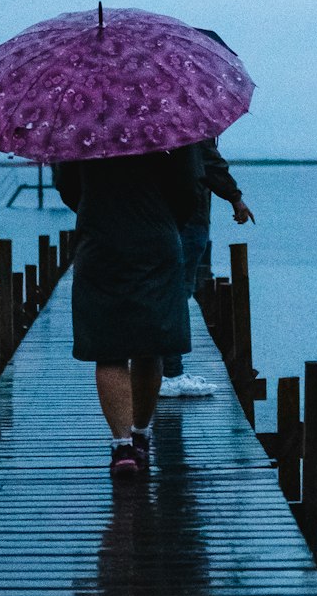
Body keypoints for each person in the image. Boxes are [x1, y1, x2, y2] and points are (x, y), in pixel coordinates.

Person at [53, 148, 202, 480]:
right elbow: (189, 187)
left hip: (99, 238)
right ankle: (140, 434)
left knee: (108, 348)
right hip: (156, 237)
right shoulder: (168, 118)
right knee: (151, 341)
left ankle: (122, 448)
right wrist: (165, 218)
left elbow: (66, 184)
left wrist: (96, 207)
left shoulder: (81, 120)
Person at [160, 137, 255, 397]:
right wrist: (236, 198)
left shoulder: (151, 129)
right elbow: (211, 165)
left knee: (160, 291)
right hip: (188, 220)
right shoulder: (189, 125)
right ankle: (170, 372)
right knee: (178, 293)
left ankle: (158, 366)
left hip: (154, 219)